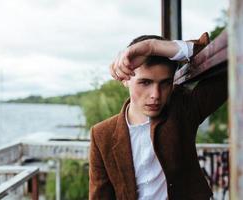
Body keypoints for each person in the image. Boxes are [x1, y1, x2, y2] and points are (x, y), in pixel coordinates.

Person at [89, 33, 227, 200]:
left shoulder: (181, 109)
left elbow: (227, 66)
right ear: (125, 79)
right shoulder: (102, 134)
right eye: (145, 82)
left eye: (165, 83)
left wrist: (152, 46)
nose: (155, 95)